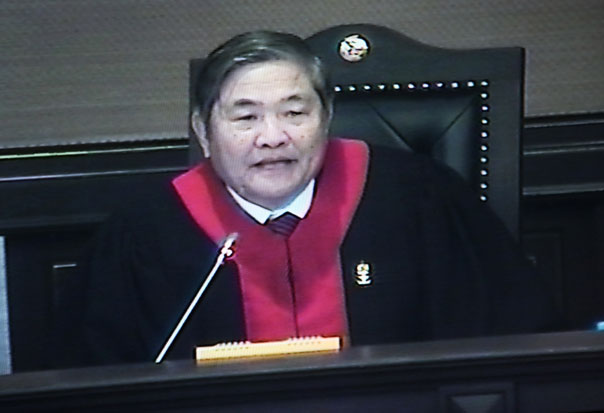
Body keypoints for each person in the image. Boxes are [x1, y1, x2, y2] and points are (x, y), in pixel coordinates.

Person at [76, 31, 559, 366]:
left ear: (326, 118)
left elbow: (515, 345)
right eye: (246, 118)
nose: (273, 137)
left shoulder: (420, 199)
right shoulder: (144, 233)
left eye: (294, 112)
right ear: (204, 132)